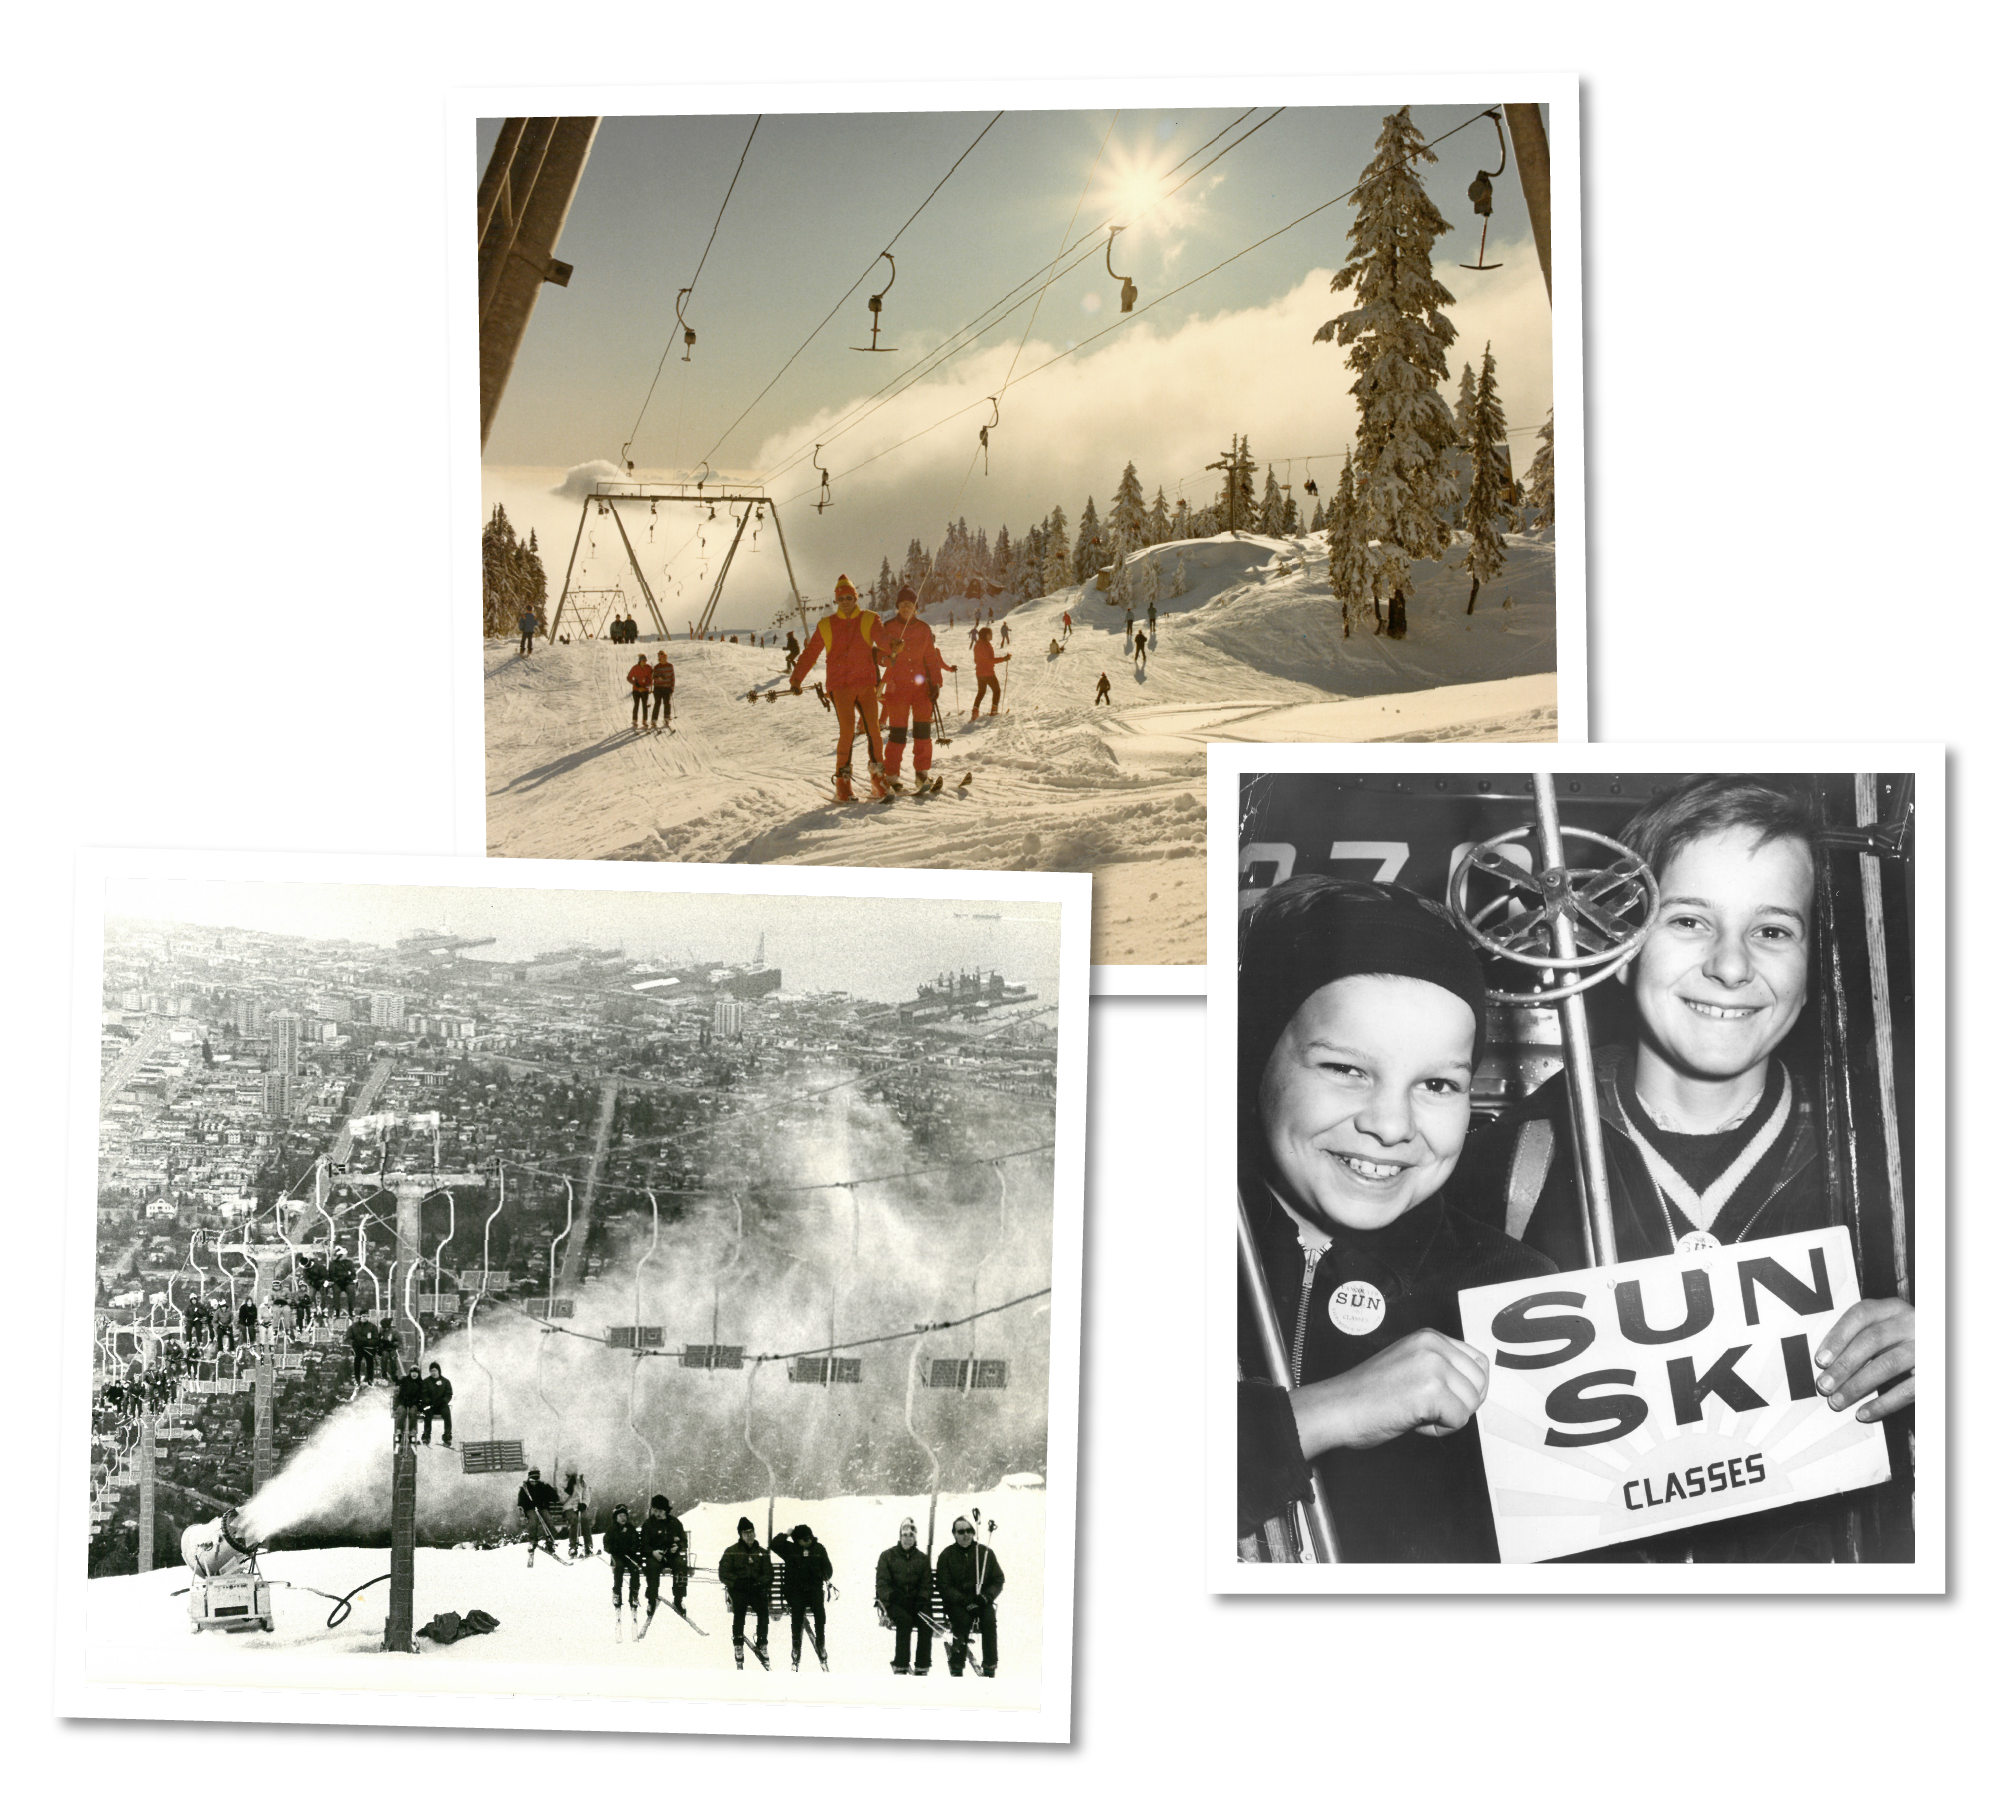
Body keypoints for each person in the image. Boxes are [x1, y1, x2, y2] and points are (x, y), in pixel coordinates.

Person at [1450, 774, 1918, 1562]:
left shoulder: (1900, 1165)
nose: (1732, 967)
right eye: (1690, 920)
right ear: (1619, 941)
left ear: (1812, 962)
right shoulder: (1512, 1164)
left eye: (1773, 930)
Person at [1236, 877, 1555, 1561]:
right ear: (1256, 1060)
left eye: (1437, 1085)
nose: (1389, 1125)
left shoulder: (1518, 1293)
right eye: (1347, 1069)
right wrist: (1319, 1415)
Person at [789, 575, 889, 801]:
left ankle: (877, 778)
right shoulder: (826, 624)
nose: (845, 601)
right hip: (840, 686)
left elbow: (882, 638)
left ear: (856, 598)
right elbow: (810, 653)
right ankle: (843, 781)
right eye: (841, 598)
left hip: (865, 684)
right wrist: (796, 679)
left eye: (849, 597)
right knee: (847, 731)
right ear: (837, 600)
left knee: (873, 729)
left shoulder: (869, 619)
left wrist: (893, 645)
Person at [877, 586, 954, 792]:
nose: (905, 607)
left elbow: (931, 659)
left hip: (921, 689)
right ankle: (891, 776)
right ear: (897, 607)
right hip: (898, 689)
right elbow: (879, 656)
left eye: (909, 604)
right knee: (898, 735)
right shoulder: (888, 627)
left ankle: (922, 775)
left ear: (915, 607)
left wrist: (936, 683)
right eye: (902, 604)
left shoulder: (924, 629)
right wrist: (888, 657)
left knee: (922, 733)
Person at [935, 1516, 1004, 1677]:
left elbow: (998, 1579)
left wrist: (986, 1597)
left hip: (981, 1600)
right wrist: (962, 1600)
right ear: (954, 1534)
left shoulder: (985, 1553)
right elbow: (944, 1585)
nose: (965, 1535)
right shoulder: (947, 1555)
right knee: (962, 1620)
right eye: (961, 1531)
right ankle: (957, 1664)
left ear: (973, 1533)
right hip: (957, 1603)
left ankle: (990, 1665)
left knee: (988, 1620)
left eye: (968, 1531)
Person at [874, 1516, 934, 1675]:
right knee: (904, 1620)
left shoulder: (922, 1559)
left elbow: (926, 1584)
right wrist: (896, 1598)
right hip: (896, 1602)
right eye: (905, 1535)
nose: (908, 1539)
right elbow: (882, 1584)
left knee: (925, 1621)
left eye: (911, 1535)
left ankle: (922, 1666)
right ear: (900, 1536)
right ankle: (900, 1664)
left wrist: (921, 1599)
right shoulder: (887, 1556)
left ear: (915, 1538)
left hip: (915, 1602)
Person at [770, 1522, 833, 1671]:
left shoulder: (818, 1548)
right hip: (795, 1590)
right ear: (797, 1540)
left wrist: (819, 1573)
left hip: (813, 1590)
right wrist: (787, 1534)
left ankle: (821, 1643)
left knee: (819, 1611)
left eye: (809, 1538)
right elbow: (774, 1544)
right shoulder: (790, 1549)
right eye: (803, 1539)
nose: (807, 1541)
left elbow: (828, 1570)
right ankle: (796, 1647)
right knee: (797, 1612)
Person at [719, 1516, 773, 1668]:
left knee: (763, 1610)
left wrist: (759, 1583)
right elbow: (723, 1572)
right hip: (740, 1589)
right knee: (739, 1610)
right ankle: (738, 1643)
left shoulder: (762, 1553)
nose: (749, 1535)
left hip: (756, 1589)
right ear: (740, 1535)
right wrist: (737, 1582)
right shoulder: (732, 1552)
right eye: (745, 1533)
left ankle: (762, 1641)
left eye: (751, 1532)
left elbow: (769, 1574)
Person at [640, 1492, 688, 1623]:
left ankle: (678, 1599)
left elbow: (684, 1540)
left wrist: (677, 1546)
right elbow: (643, 1545)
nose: (657, 1514)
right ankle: (651, 1599)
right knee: (652, 1568)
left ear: (666, 1510)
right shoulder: (648, 1524)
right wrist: (652, 1552)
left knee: (681, 1566)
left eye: (660, 1511)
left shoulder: (674, 1522)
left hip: (671, 1555)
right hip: (655, 1556)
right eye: (655, 1511)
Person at [604, 1502, 644, 1628]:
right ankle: (617, 1593)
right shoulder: (612, 1529)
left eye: (624, 1516)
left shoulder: (630, 1528)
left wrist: (631, 1549)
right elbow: (607, 1542)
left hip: (629, 1555)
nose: (623, 1518)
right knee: (619, 1567)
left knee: (634, 1569)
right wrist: (613, 1549)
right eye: (620, 1516)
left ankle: (634, 1594)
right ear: (616, 1517)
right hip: (618, 1556)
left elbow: (635, 1542)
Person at [517, 1467, 562, 1564]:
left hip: (541, 1508)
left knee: (548, 1519)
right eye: (532, 1480)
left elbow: (553, 1497)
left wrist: (553, 1493)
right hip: (530, 1509)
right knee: (533, 1520)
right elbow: (521, 1502)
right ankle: (533, 1539)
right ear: (529, 1479)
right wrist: (528, 1506)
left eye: (536, 1480)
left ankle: (550, 1540)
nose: (534, 1482)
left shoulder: (542, 1487)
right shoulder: (525, 1489)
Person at [969, 626, 1009, 721]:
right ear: (985, 635)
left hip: (979, 673)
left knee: (981, 692)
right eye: (989, 634)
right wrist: (1003, 659)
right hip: (988, 673)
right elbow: (990, 660)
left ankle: (975, 712)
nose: (991, 635)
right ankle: (994, 710)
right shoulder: (986, 645)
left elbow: (976, 660)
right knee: (997, 691)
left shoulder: (977, 645)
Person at [391, 1366, 425, 1450]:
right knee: (401, 1411)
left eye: (416, 1373)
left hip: (414, 1403)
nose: (414, 1374)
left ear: (418, 1374)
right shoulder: (405, 1380)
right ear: (410, 1373)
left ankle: (412, 1433)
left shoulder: (421, 1383)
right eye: (412, 1372)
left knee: (413, 1412)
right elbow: (397, 1382)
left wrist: (421, 1406)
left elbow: (423, 1394)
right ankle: (398, 1432)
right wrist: (394, 1375)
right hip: (403, 1402)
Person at [420, 1360, 453, 1447]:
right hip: (430, 1405)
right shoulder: (426, 1382)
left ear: (438, 1371)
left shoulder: (445, 1382)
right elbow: (423, 1394)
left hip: (441, 1405)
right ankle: (426, 1435)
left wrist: (443, 1401)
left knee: (447, 1414)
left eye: (435, 1370)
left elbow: (448, 1394)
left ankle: (447, 1436)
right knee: (427, 1414)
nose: (433, 1373)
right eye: (431, 1371)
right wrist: (429, 1401)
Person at [565, 1470, 595, 1556]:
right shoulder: (565, 1482)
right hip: (569, 1508)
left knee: (585, 1518)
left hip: (580, 1507)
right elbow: (563, 1498)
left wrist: (584, 1504)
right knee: (574, 1519)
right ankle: (573, 1546)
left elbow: (586, 1495)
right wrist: (571, 1506)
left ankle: (588, 1545)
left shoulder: (582, 1483)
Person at [345, 1312, 376, 1387]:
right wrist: (354, 1343)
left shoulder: (372, 1327)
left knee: (370, 1362)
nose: (365, 1318)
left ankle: (370, 1379)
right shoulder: (353, 1326)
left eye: (367, 1316)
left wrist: (369, 1342)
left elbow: (376, 1338)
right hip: (357, 1347)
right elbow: (348, 1337)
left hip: (368, 1347)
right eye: (363, 1316)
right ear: (360, 1317)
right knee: (357, 1362)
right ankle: (357, 1379)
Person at [627, 650, 654, 732]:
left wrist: (646, 686)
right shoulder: (635, 668)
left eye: (645, 660)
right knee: (636, 704)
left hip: (645, 689)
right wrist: (636, 685)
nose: (644, 662)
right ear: (639, 661)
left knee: (645, 704)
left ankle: (644, 720)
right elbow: (629, 678)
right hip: (636, 689)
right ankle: (634, 720)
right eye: (643, 661)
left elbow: (650, 679)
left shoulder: (648, 668)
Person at [649, 651, 675, 730]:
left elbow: (672, 677)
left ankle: (666, 718)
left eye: (665, 657)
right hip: (658, 688)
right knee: (657, 703)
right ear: (659, 659)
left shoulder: (670, 666)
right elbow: (653, 677)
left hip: (667, 687)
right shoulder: (657, 667)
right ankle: (654, 720)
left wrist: (672, 686)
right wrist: (658, 678)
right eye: (662, 658)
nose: (664, 659)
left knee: (667, 703)